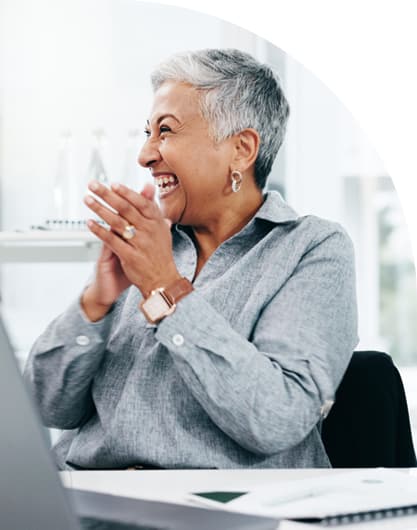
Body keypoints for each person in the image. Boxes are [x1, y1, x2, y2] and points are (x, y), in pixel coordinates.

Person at [24, 48, 358, 470]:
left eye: (165, 132)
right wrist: (97, 301)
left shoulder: (311, 248)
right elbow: (46, 409)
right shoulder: (150, 248)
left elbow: (277, 419)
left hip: (221, 510)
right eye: (148, 133)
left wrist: (164, 289)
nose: (145, 155)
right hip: (87, 498)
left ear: (241, 149)